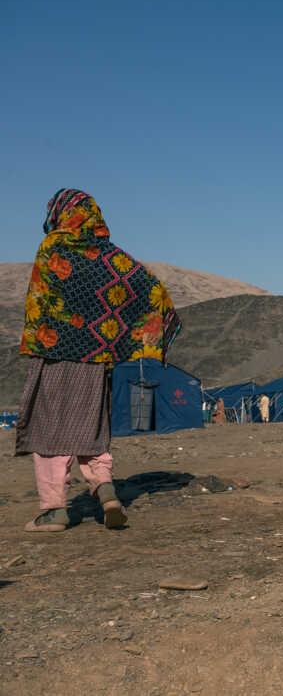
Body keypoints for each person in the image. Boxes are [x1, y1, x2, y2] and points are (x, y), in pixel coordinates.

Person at [16, 188, 181, 532]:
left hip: (56, 353)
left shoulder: (54, 246)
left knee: (49, 430)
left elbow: (41, 300)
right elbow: (147, 286)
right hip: (95, 359)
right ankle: (106, 492)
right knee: (90, 427)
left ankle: (55, 510)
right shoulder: (108, 255)